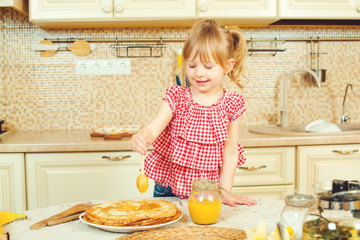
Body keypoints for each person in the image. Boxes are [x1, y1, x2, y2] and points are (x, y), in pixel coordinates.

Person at [131, 19, 257, 207]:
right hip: (168, 190)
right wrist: (141, 137)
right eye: (192, 65)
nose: (198, 73)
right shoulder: (176, 97)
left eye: (207, 66)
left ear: (227, 66)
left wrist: (225, 192)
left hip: (208, 193)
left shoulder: (232, 104)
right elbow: (153, 128)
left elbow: (230, 153)